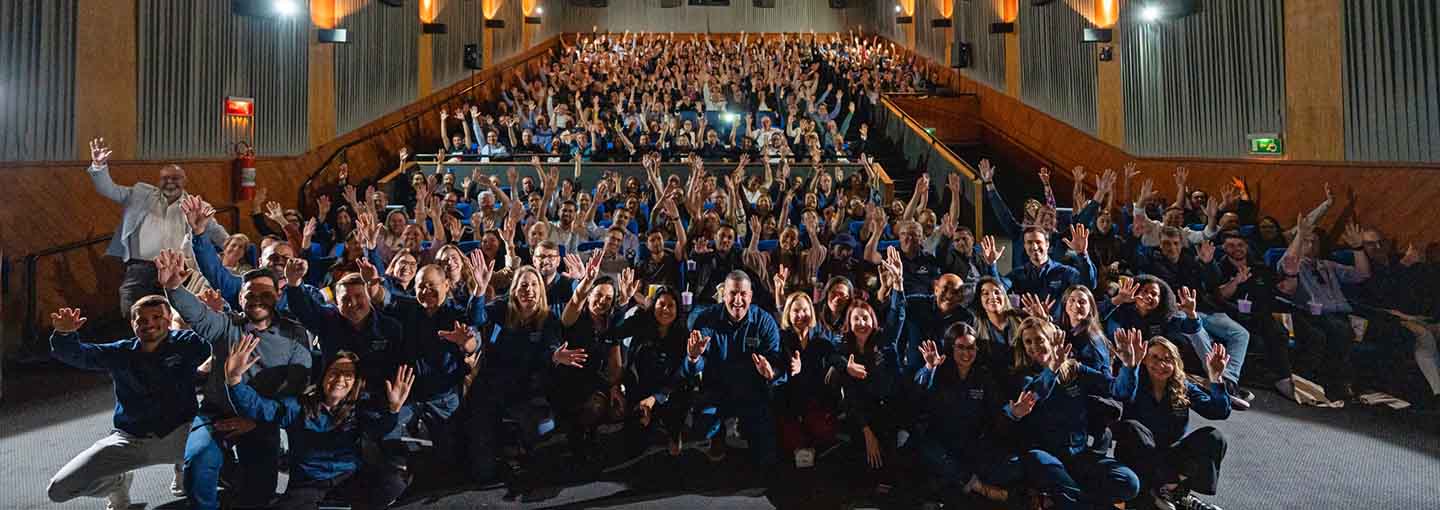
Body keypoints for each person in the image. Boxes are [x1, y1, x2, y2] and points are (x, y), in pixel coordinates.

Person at [155, 250, 311, 510]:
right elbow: (199, 315)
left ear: (278, 295)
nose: (257, 300)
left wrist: (257, 421)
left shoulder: (294, 334)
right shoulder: (226, 325)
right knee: (199, 463)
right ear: (240, 298)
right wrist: (174, 288)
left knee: (260, 495)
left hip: (261, 419)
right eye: (250, 295)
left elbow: (295, 387)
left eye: (265, 294)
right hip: (217, 413)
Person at [46, 298, 211, 510]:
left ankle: (185, 470)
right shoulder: (121, 352)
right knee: (58, 490)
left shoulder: (187, 342)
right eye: (141, 320)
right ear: (132, 324)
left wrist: (213, 317)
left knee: (221, 461)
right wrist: (64, 335)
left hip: (181, 435)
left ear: (169, 319)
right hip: (130, 440)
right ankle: (118, 482)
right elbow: (80, 355)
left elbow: (222, 342)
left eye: (157, 317)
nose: (149, 324)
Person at [223, 339, 412, 510]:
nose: (340, 380)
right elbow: (259, 408)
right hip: (309, 484)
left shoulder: (358, 408)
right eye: (335, 373)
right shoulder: (297, 406)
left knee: (394, 483)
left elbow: (378, 429)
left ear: (354, 383)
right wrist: (234, 380)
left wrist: (393, 409)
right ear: (323, 377)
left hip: (347, 478)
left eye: (348, 375)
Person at [1002, 318, 1140, 510]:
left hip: (1079, 455)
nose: (1034, 346)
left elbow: (1118, 390)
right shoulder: (1023, 376)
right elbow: (1035, 395)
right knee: (1037, 460)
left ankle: (1067, 499)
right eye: (1028, 342)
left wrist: (1129, 367)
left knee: (1129, 483)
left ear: (1052, 339)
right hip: (1046, 457)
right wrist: (1052, 369)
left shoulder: (1075, 369)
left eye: (1040, 339)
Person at [87, 137, 228, 318]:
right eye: (165, 178)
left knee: (177, 316)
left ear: (184, 181)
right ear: (159, 181)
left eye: (175, 178)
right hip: (140, 268)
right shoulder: (140, 194)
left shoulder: (196, 206)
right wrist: (99, 165)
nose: (170, 181)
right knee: (132, 312)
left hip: (178, 269)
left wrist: (236, 250)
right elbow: (108, 189)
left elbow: (217, 233)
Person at [1112, 333, 1232, 510]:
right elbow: (1121, 393)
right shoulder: (1133, 381)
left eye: (1168, 359)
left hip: (1169, 456)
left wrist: (1216, 378)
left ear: (1175, 363)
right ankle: (1168, 490)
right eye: (1155, 357)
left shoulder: (1182, 386)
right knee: (1133, 428)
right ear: (1144, 359)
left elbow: (1218, 411)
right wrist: (1129, 366)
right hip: (1137, 455)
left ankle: (1171, 490)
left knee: (1214, 436)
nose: (1161, 364)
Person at [683, 270, 784, 469]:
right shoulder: (706, 319)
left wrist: (771, 373)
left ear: (751, 296)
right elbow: (694, 368)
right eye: (732, 293)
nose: (738, 300)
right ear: (723, 295)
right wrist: (693, 357)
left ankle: (743, 429)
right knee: (701, 430)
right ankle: (719, 432)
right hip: (716, 391)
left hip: (751, 393)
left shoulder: (765, 322)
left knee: (766, 456)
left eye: (743, 294)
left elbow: (777, 363)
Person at [912, 323, 1008, 507]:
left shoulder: (983, 376)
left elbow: (996, 410)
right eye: (960, 347)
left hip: (970, 442)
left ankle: (957, 486)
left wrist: (1012, 413)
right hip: (940, 441)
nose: (966, 353)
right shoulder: (939, 369)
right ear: (951, 347)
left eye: (971, 347)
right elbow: (919, 392)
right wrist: (929, 367)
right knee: (931, 453)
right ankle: (979, 487)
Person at [982, 227, 1096, 314]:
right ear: (1025, 246)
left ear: (1047, 245)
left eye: (1038, 242)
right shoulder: (1018, 274)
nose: (1034, 247)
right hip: (1028, 330)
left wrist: (1082, 255)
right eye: (1029, 242)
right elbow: (998, 289)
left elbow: (1088, 285)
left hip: (1056, 329)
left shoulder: (1064, 272)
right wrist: (992, 265)